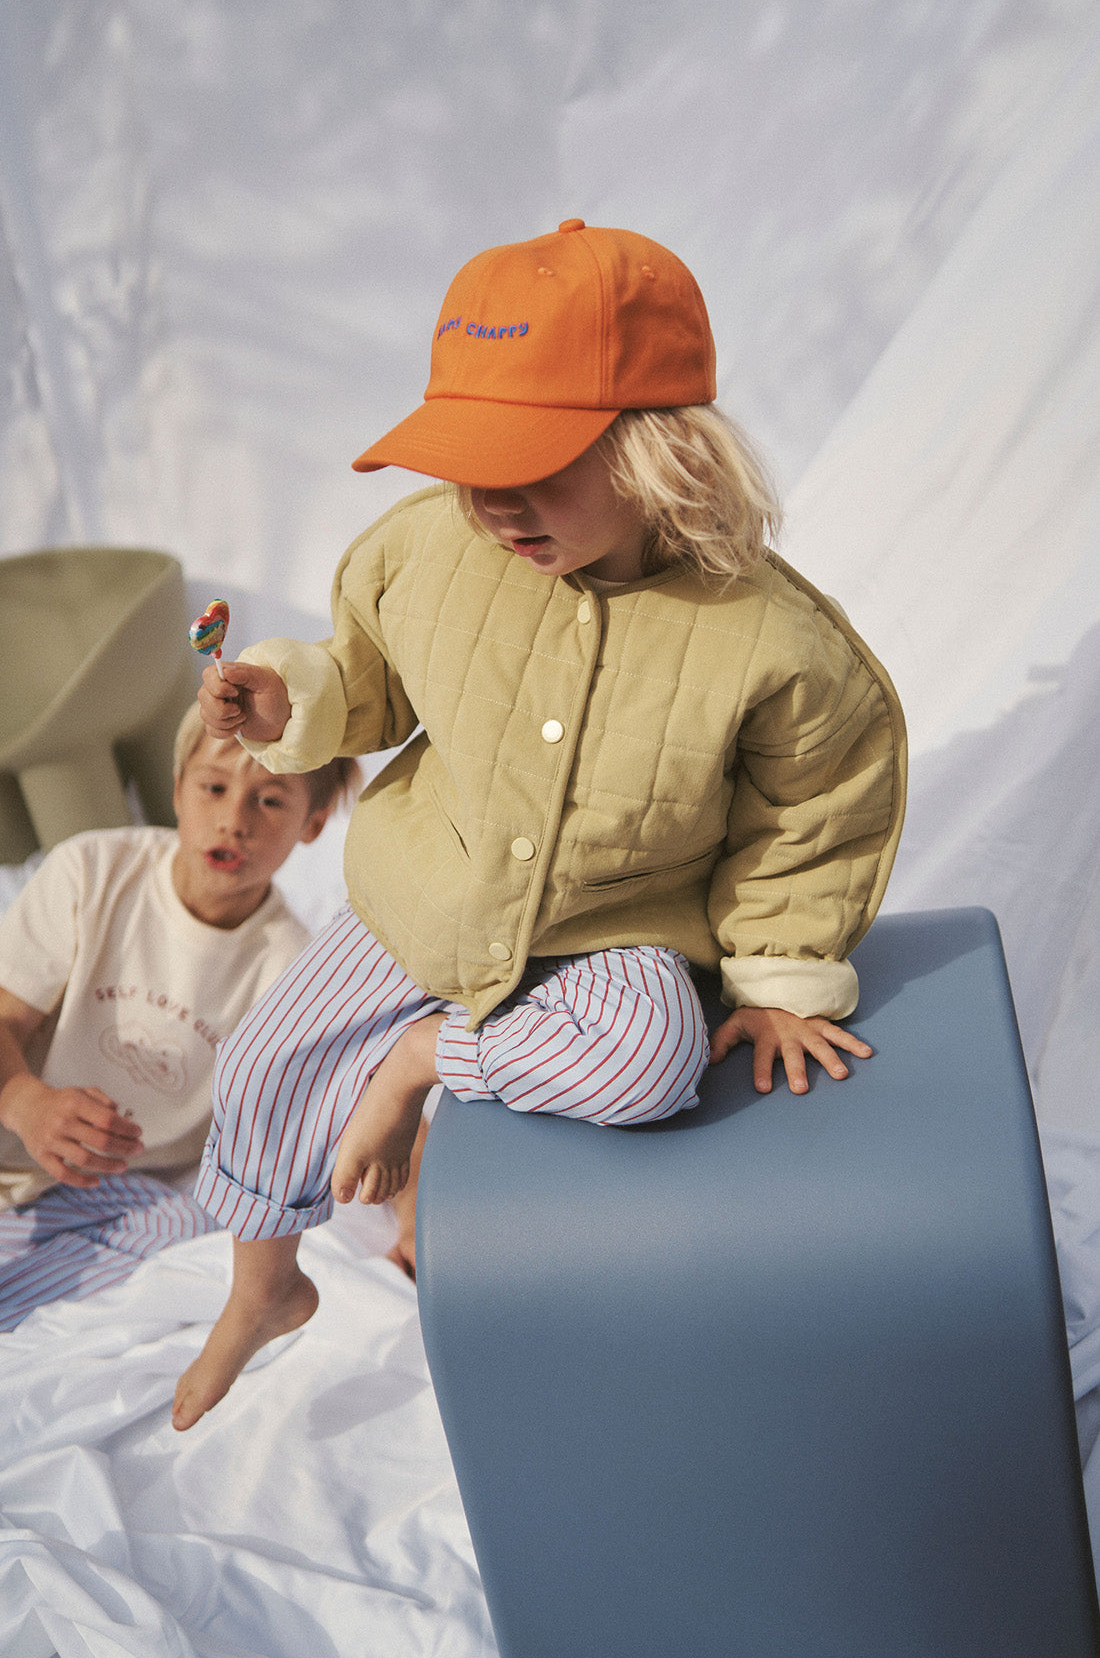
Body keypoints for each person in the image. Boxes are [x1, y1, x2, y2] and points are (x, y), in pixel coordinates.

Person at [172, 218, 907, 1430]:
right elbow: (367, 671)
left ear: (660, 451)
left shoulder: (771, 640)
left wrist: (776, 974)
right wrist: (286, 699)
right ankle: (264, 1288)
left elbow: (813, 807)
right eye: (473, 471)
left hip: (607, 928)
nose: (498, 506)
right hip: (430, 891)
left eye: (540, 471)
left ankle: (421, 1063)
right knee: (259, 1064)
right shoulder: (427, 551)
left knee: (648, 1063)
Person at [0, 703, 359, 1330]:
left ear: (315, 822)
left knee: (192, 1236)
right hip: (9, 1137)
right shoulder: (94, 871)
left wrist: (411, 1218)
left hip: (111, 1194)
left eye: (271, 802)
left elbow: (355, 1107)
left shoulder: (293, 971)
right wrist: (26, 1102)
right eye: (214, 788)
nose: (233, 821)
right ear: (176, 788)